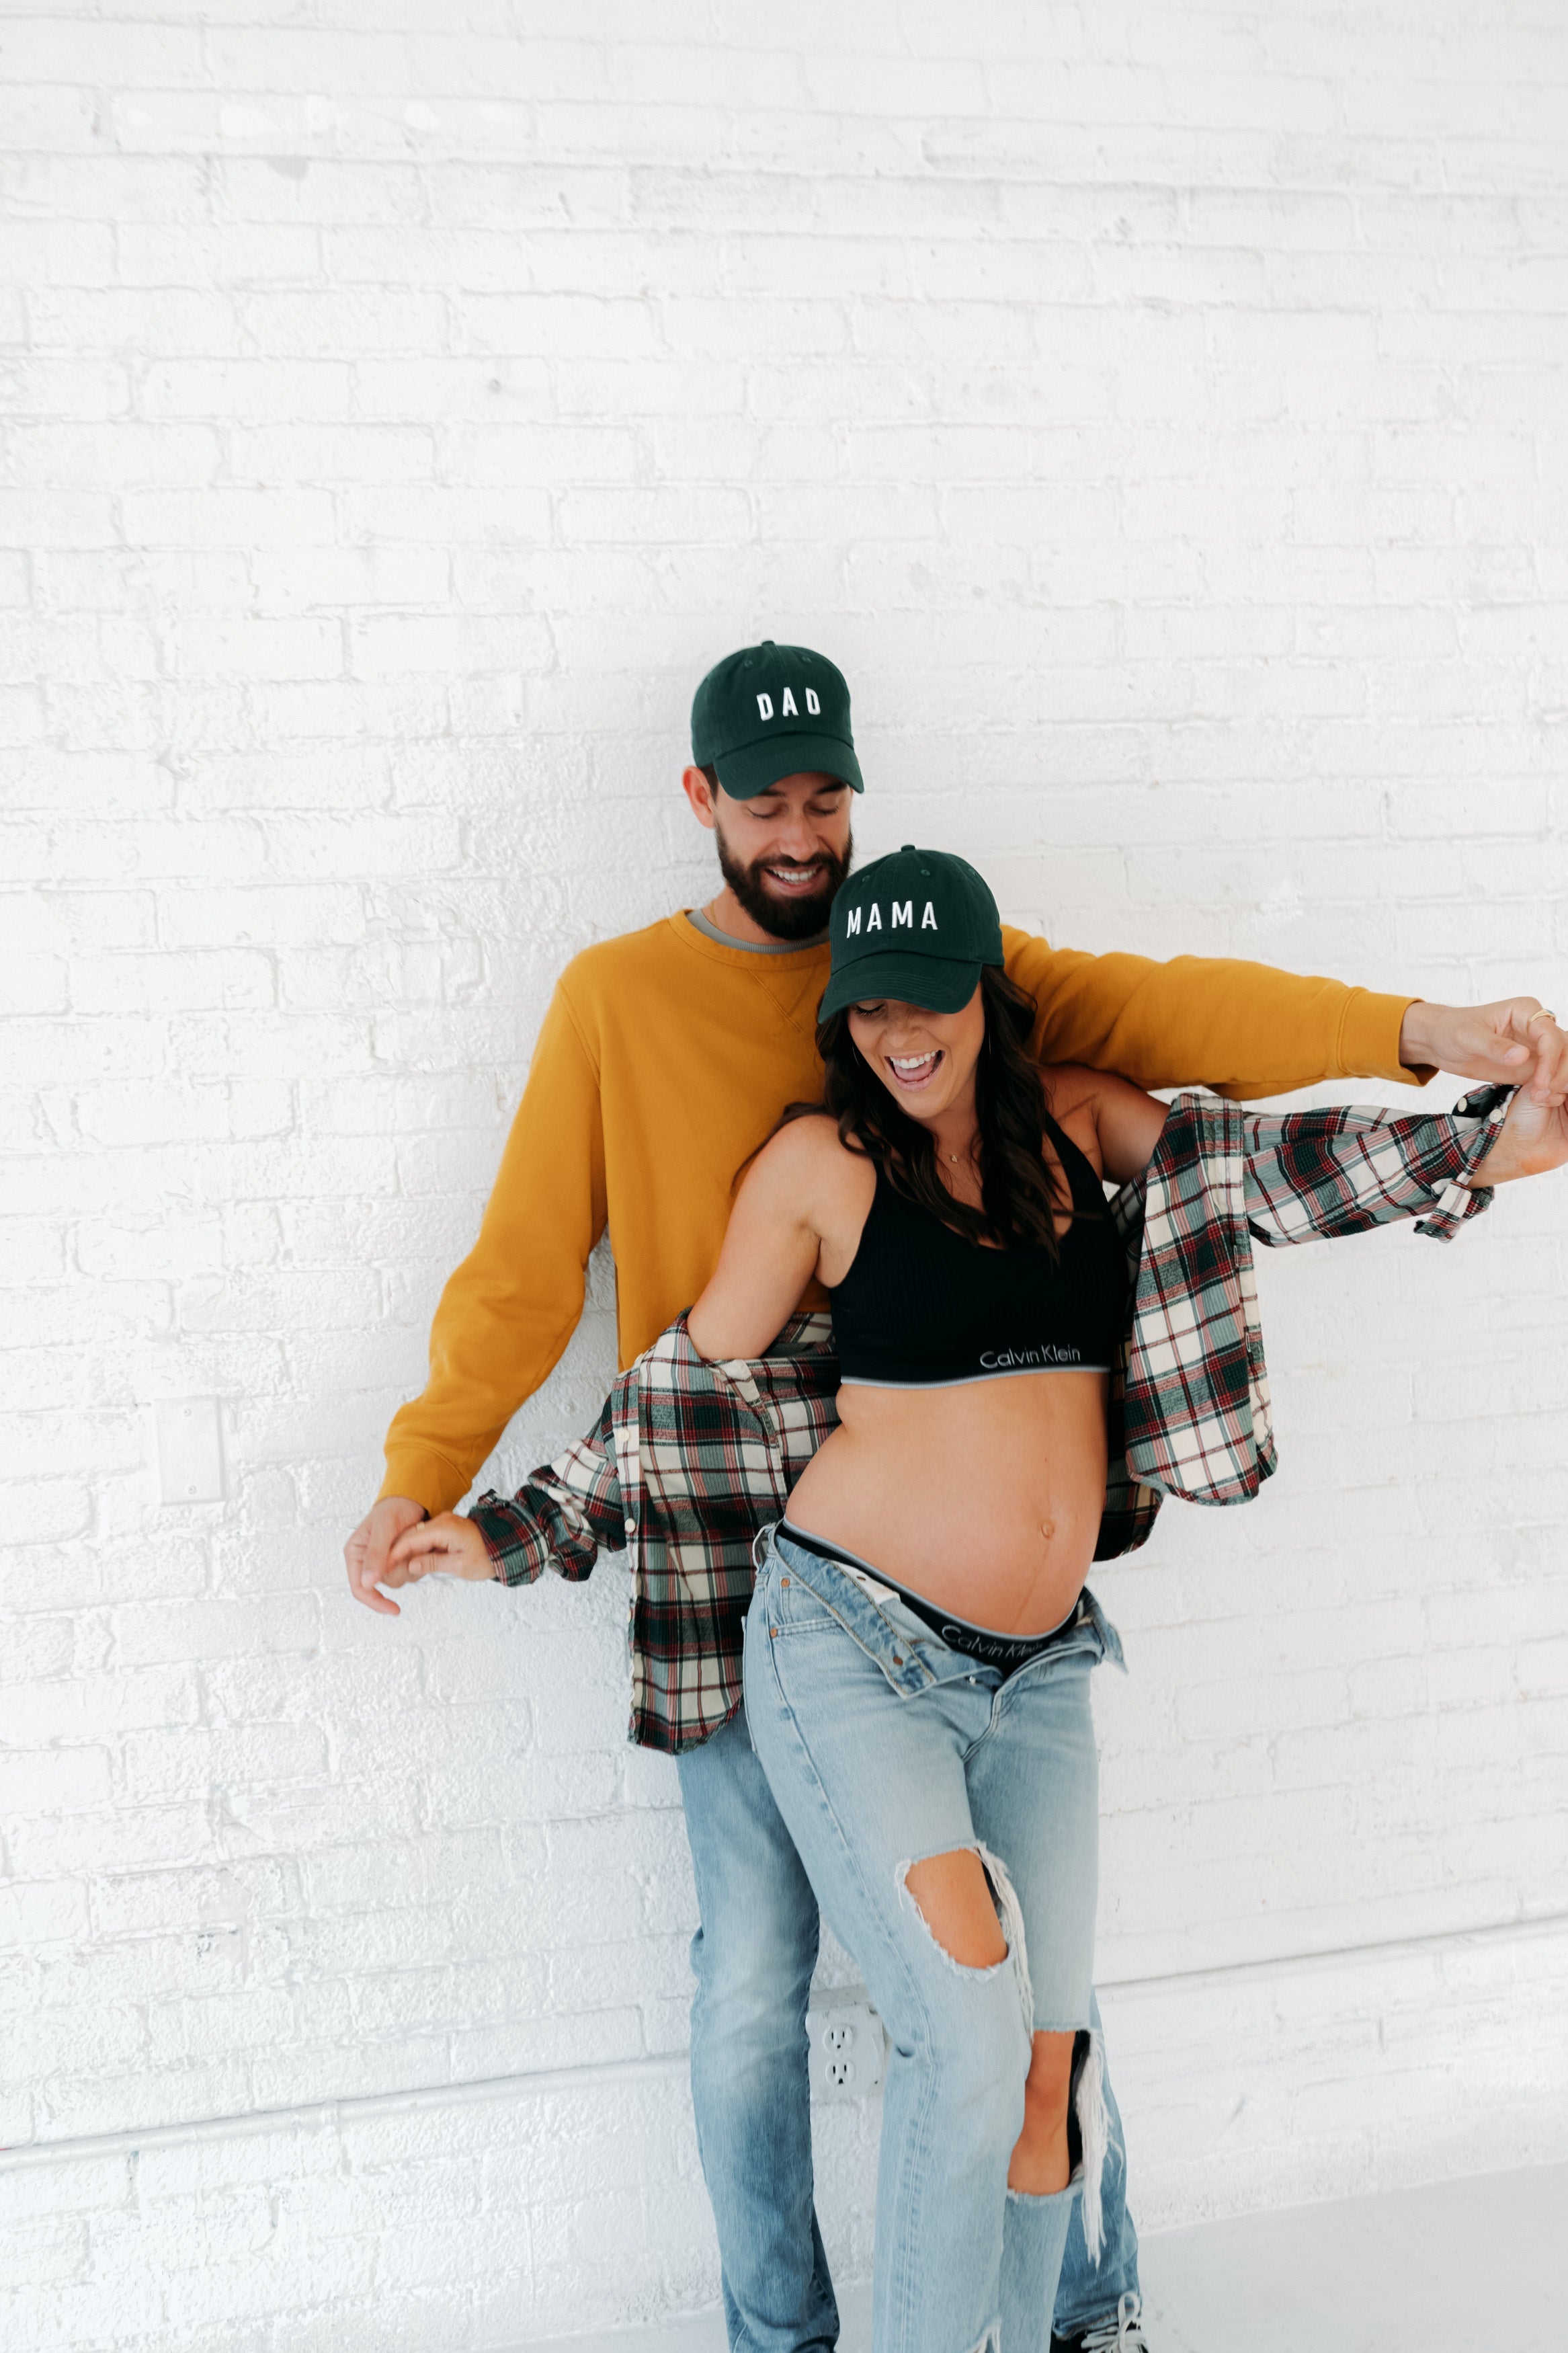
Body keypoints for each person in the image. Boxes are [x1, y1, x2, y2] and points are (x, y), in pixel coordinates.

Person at [345, 639, 1567, 2353]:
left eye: (823, 797)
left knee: (1039, 2042)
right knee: (785, 1998)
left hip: (1040, 1654)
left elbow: (1225, 1097)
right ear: (701, 802)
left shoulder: (1036, 1067)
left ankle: (1077, 2315)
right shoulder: (693, 1057)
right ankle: (794, 2339)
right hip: (767, 1575)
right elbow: (606, 1326)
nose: (797, 829)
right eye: (762, 801)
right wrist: (452, 1497)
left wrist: (1446, 1091)